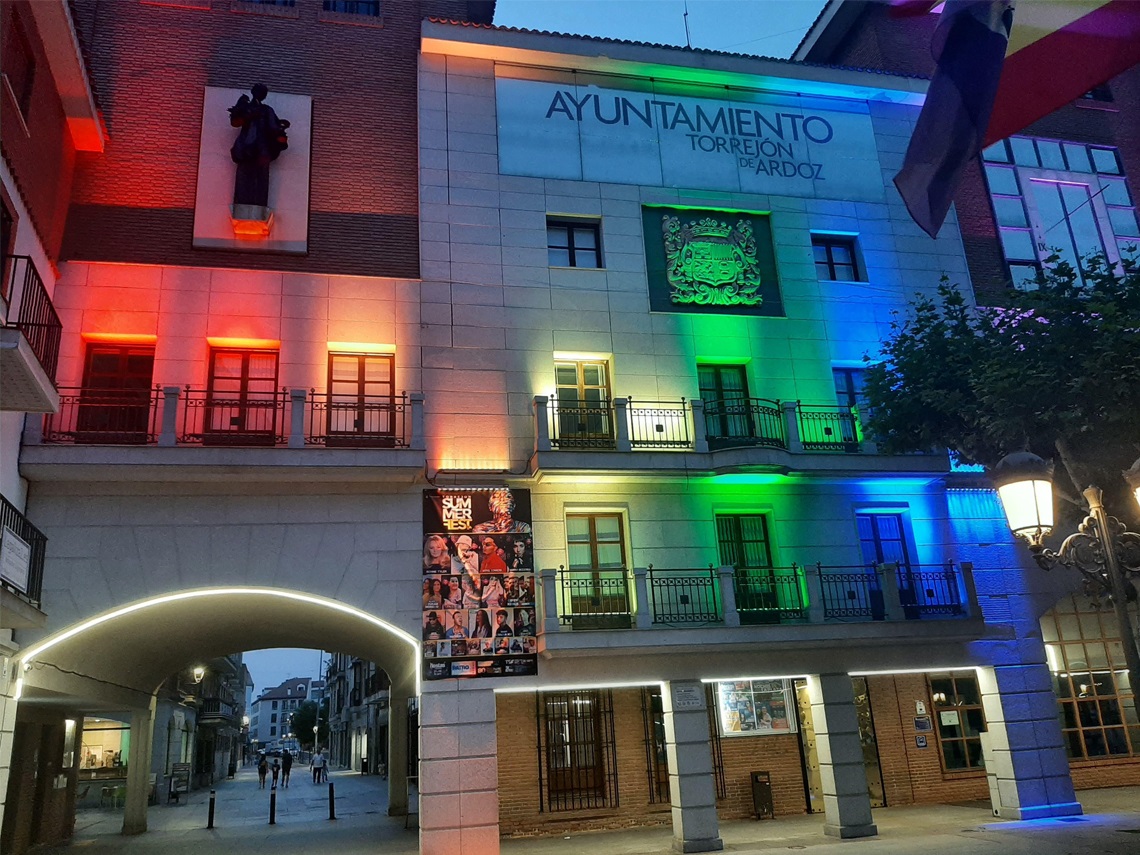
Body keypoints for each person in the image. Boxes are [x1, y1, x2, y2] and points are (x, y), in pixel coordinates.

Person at [227, 83, 290, 208]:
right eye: (261, 92)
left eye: (263, 93)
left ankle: (258, 203)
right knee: (246, 176)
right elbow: (235, 122)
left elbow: (274, 127)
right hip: (248, 148)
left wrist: (280, 132)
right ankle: (242, 202)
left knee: (259, 177)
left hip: (260, 149)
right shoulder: (246, 107)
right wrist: (248, 115)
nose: (262, 95)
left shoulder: (266, 110)